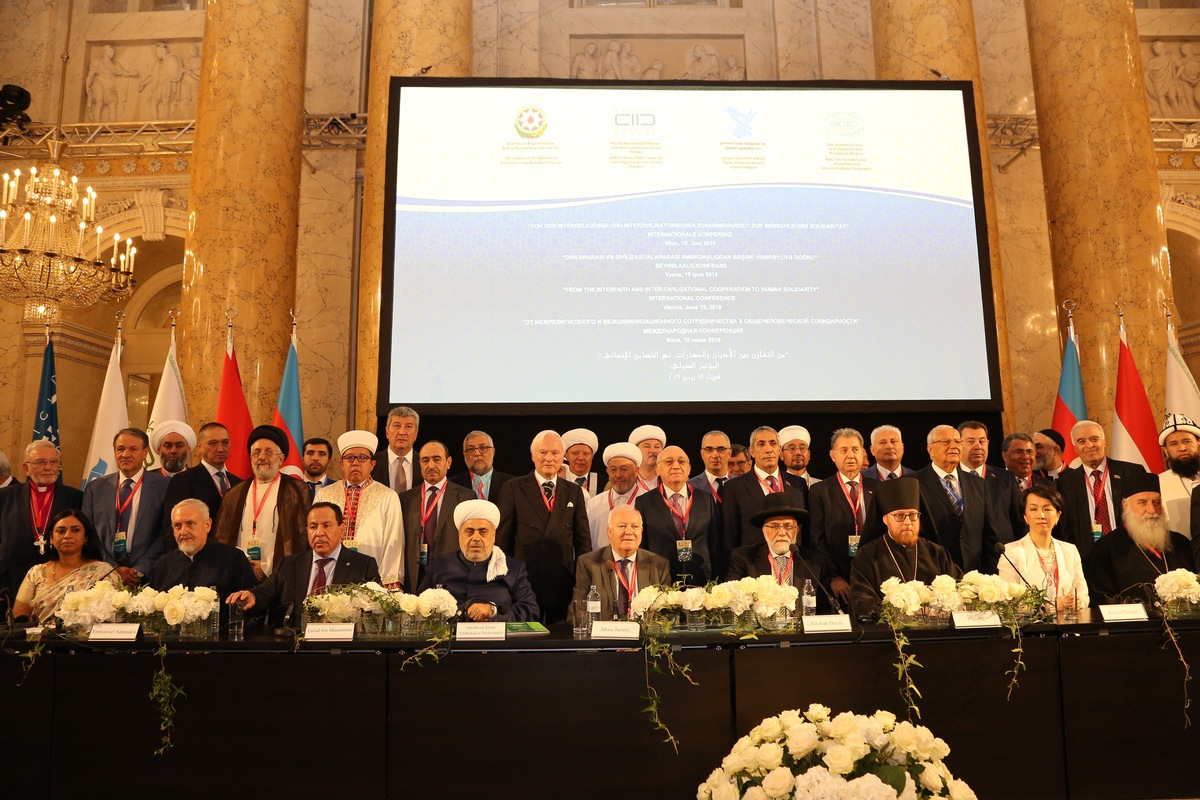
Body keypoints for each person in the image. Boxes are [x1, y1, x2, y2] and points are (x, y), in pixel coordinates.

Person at [226, 502, 380, 627]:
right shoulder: (289, 564)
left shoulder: (363, 565)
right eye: (313, 527)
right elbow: (265, 591)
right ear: (307, 530)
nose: (319, 533)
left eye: (326, 526)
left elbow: (375, 608)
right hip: (295, 646)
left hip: (340, 649)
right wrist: (252, 595)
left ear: (341, 529)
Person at [495, 430, 591, 624]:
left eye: (555, 453)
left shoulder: (574, 491)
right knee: (525, 643)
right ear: (533, 456)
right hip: (524, 582)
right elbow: (502, 539)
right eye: (543, 452)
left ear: (562, 457)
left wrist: (583, 580)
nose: (549, 458)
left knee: (560, 642)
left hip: (562, 582)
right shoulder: (513, 488)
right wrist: (505, 581)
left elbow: (583, 540)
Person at [850, 477, 962, 619]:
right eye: (899, 516)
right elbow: (862, 601)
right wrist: (898, 612)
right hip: (889, 635)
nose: (908, 522)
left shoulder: (936, 553)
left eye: (913, 515)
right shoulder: (867, 556)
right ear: (885, 519)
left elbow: (959, 590)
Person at [213, 425, 310, 581]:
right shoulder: (235, 493)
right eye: (256, 452)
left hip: (279, 577)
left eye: (269, 452)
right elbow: (222, 539)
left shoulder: (297, 490)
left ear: (281, 459)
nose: (262, 457)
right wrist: (245, 565)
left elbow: (301, 538)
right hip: (240, 574)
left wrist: (266, 568)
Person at [419, 499, 540, 622]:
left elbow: (530, 611)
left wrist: (493, 611)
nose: (476, 538)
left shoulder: (513, 569)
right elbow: (420, 607)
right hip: (451, 639)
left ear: (493, 536)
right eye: (469, 532)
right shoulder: (440, 565)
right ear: (459, 535)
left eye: (483, 532)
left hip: (495, 640)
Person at [1085, 473, 1196, 606]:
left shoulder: (1180, 543)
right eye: (1142, 503)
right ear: (1126, 506)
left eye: (1156, 502)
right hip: (1135, 625)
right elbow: (1102, 598)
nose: (1152, 510)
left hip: (1185, 624)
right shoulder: (1106, 548)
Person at [0, 440, 84, 614]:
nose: (48, 467)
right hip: (10, 584)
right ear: (26, 468)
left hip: (61, 585)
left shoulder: (76, 498)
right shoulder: (5, 497)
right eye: (40, 462)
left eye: (53, 462)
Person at [315, 430, 405, 589]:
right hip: (330, 577)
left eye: (362, 458)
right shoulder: (325, 494)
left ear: (372, 464)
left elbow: (394, 543)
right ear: (342, 464)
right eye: (350, 458)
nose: (355, 462)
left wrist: (386, 586)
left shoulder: (388, 496)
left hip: (371, 581)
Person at [82, 427, 170, 587]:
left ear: (145, 452)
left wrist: (140, 569)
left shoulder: (164, 486)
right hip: (103, 577)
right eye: (120, 449)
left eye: (133, 449)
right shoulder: (95, 488)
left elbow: (166, 533)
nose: (125, 454)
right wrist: (112, 569)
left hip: (149, 578)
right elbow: (89, 533)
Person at [728, 493, 838, 614]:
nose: (782, 532)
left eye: (788, 526)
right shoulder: (744, 558)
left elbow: (824, 608)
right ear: (764, 530)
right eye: (774, 526)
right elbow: (735, 599)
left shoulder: (816, 562)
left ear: (797, 530)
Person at [720, 426, 809, 574]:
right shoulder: (734, 487)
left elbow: (805, 531)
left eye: (773, 443)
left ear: (779, 450)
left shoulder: (797, 484)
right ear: (752, 452)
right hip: (752, 568)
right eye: (761, 444)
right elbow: (730, 537)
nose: (768, 449)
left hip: (794, 567)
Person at [1055, 419, 1146, 558]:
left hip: (1131, 553)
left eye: (1094, 439)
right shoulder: (1066, 483)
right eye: (1081, 441)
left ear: (1104, 441)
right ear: (1075, 448)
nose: (1089, 445)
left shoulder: (1132, 472)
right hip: (1089, 558)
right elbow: (1066, 528)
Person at [809, 428, 879, 606]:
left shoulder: (878, 488)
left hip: (874, 574)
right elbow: (817, 539)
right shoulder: (820, 491)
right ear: (833, 455)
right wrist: (833, 576)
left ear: (863, 453)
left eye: (855, 449)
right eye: (844, 450)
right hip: (838, 578)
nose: (850, 455)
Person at [914, 424, 998, 573]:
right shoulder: (914, 482)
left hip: (975, 576)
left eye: (958, 442)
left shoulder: (978, 484)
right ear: (930, 450)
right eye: (945, 442)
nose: (954, 446)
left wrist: (988, 574)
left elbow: (989, 535)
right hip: (934, 574)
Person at [147, 499, 257, 606]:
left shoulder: (234, 559)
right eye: (177, 526)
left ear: (207, 525)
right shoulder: (162, 566)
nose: (183, 532)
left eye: (190, 523)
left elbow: (250, 609)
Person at [399, 440, 474, 592]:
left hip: (452, 576)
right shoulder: (406, 499)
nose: (431, 465)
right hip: (414, 578)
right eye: (425, 460)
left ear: (448, 462)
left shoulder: (466, 496)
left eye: (437, 459)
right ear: (419, 463)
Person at [635, 445, 718, 585]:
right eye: (668, 461)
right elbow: (642, 547)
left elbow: (715, 544)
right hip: (661, 580)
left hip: (701, 580)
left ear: (689, 469)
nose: (676, 466)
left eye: (681, 461)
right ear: (658, 469)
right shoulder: (644, 502)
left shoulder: (706, 499)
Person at [998, 484, 1089, 610]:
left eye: (1047, 509)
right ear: (1025, 516)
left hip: (1068, 625)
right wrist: (1055, 606)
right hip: (1030, 628)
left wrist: (1078, 601)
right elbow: (1008, 602)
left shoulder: (1070, 550)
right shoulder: (1011, 552)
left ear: (1058, 515)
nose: (1041, 515)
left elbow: (1083, 594)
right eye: (1033, 509)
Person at [572, 505, 670, 621]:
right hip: (605, 637)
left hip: (644, 637)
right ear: (609, 531)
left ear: (641, 531)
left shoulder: (658, 565)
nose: (629, 532)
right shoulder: (588, 563)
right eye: (622, 526)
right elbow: (578, 612)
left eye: (635, 526)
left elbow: (666, 615)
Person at [13, 510, 113, 622]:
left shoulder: (103, 572)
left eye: (75, 530)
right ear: (51, 538)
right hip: (39, 638)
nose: (67, 536)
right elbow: (19, 616)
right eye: (60, 531)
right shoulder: (37, 572)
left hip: (85, 637)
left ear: (86, 537)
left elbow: (111, 614)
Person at [161, 422, 243, 533]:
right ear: (199, 446)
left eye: (225, 443)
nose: (220, 449)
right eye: (213, 443)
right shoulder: (183, 480)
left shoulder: (239, 483)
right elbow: (172, 526)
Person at [958, 420, 1022, 544]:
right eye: (971, 441)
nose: (978, 446)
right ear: (959, 444)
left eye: (982, 441)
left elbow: (1019, 521)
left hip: (1002, 553)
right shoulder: (950, 478)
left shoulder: (1006, 478)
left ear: (987, 443)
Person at [586, 442, 643, 551]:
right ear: (607, 472)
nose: (618, 475)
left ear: (636, 471)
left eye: (624, 469)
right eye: (613, 470)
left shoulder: (648, 502)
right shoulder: (593, 504)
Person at [1157, 413, 1200, 537]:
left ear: (1198, 443)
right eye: (1173, 444)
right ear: (1166, 451)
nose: (1182, 448)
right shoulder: (1158, 483)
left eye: (1187, 441)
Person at [449, 430, 515, 501]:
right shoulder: (451, 485)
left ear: (493, 451)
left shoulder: (512, 484)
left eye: (483, 448)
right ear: (464, 455)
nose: (477, 453)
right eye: (471, 449)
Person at [372, 405, 419, 495]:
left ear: (416, 433)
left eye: (408, 427)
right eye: (397, 426)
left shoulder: (423, 463)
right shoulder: (372, 463)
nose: (402, 432)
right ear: (387, 432)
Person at [688, 429, 731, 503]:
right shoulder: (690, 486)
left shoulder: (742, 485)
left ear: (729, 453)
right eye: (709, 449)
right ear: (702, 454)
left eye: (721, 449)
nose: (715, 455)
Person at [561, 428, 599, 497]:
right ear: (566, 455)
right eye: (575, 453)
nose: (581, 458)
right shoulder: (558, 481)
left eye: (586, 453)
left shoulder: (603, 483)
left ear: (592, 456)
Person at [629, 424, 666, 492]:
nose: (653, 451)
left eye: (657, 447)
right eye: (647, 446)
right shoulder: (624, 481)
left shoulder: (672, 479)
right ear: (636, 450)